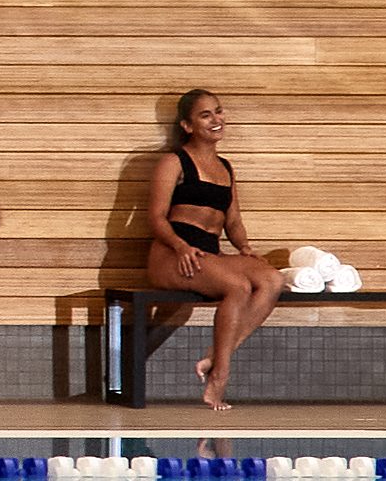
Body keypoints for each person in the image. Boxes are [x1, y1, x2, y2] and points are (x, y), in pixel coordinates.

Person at [106, 85, 283, 410]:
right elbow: (155, 218)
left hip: (208, 253)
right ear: (187, 125)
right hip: (171, 254)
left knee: (272, 279)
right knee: (238, 286)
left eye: (218, 111)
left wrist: (244, 247)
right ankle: (218, 378)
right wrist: (180, 246)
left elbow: (233, 221)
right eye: (205, 115)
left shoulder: (226, 168)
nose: (216, 119)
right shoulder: (174, 162)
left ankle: (216, 355)